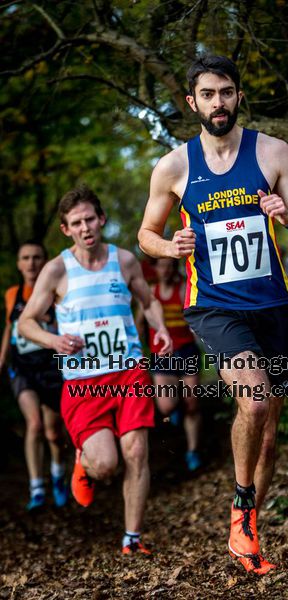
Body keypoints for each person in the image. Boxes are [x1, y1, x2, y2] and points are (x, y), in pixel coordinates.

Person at [138, 55, 288, 575]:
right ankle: (242, 509)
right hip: (214, 307)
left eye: (227, 92)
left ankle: (248, 533)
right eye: (209, 94)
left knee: (268, 436)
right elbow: (145, 236)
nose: (219, 102)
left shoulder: (273, 151)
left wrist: (285, 216)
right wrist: (171, 247)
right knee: (255, 401)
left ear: (239, 96)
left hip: (273, 306)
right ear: (192, 102)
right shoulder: (174, 167)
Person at [18, 185, 172, 555]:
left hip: (128, 372)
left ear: (101, 219)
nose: (85, 227)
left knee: (136, 451)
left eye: (90, 219)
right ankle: (83, 461)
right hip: (84, 383)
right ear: (66, 229)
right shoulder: (56, 270)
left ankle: (132, 539)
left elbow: (148, 301)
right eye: (76, 222)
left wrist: (161, 327)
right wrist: (54, 341)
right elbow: (26, 322)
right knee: (106, 465)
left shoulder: (125, 260)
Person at [0, 241, 68, 511]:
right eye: (25, 258)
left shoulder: (55, 292)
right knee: (34, 424)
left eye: (36, 257)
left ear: (44, 261)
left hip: (50, 366)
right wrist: (2, 356)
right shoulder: (12, 294)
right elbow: (10, 327)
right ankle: (37, 487)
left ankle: (58, 472)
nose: (31, 263)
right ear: (18, 264)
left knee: (53, 433)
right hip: (22, 366)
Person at [136, 257, 202, 471]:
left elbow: (194, 317)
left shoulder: (183, 289)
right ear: (154, 268)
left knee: (191, 402)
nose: (165, 269)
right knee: (166, 405)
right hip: (161, 355)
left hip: (186, 351)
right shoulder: (149, 292)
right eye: (160, 265)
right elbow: (140, 322)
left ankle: (193, 451)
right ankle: (176, 410)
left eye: (169, 265)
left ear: (174, 268)